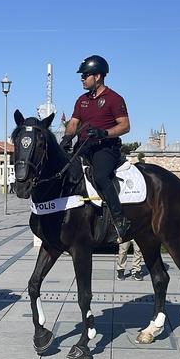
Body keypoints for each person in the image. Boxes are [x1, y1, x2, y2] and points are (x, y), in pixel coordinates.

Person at [61, 55, 131, 241]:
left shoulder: (114, 99)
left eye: (85, 75)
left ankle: (119, 219)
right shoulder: (81, 100)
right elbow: (74, 122)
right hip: (84, 146)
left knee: (100, 176)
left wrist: (104, 133)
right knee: (63, 171)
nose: (82, 79)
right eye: (82, 76)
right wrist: (67, 138)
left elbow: (125, 126)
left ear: (98, 76)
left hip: (106, 148)